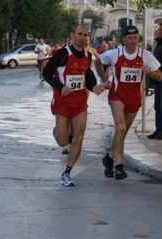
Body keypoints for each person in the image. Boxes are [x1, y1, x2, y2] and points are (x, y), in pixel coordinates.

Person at [94, 25, 162, 180]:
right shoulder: (115, 54)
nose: (133, 41)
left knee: (121, 133)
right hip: (117, 96)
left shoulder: (145, 55)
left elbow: (160, 76)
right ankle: (119, 166)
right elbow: (97, 61)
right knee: (120, 126)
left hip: (134, 99)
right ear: (123, 40)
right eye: (129, 38)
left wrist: (150, 72)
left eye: (135, 38)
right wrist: (104, 79)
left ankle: (109, 158)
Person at [43, 25, 108, 186]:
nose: (83, 37)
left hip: (79, 102)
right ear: (72, 36)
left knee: (79, 137)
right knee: (62, 141)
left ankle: (67, 172)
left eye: (85, 35)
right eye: (79, 34)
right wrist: (60, 87)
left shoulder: (87, 55)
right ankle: (58, 132)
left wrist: (94, 87)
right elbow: (46, 73)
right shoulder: (62, 53)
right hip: (63, 101)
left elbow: (87, 75)